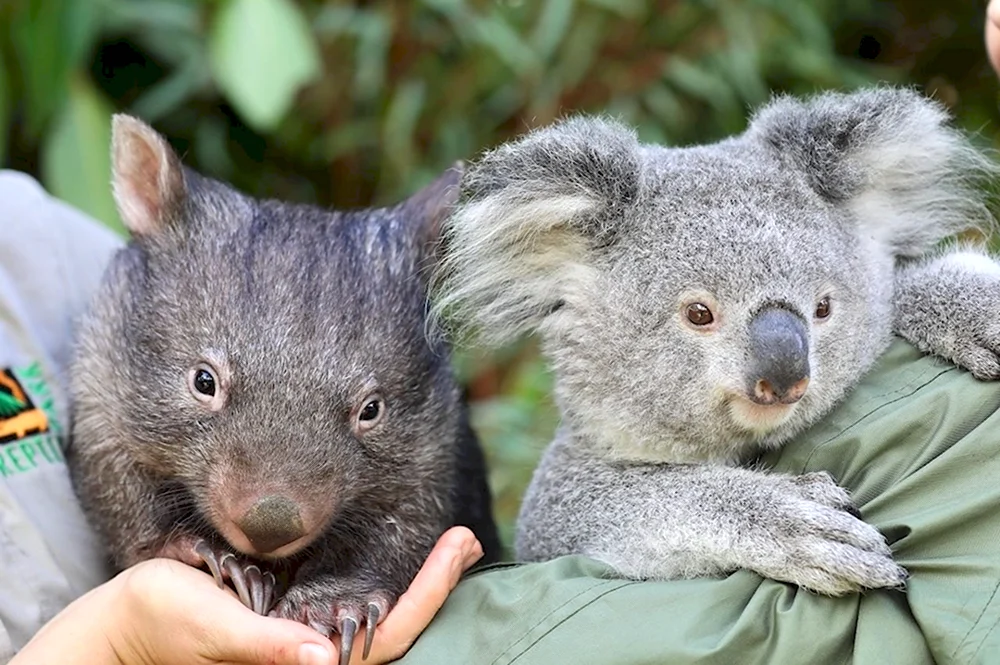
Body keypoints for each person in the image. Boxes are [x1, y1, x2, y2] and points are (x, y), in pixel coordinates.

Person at [0, 170, 484, 665]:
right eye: (205, 385)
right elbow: (109, 397)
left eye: (368, 412)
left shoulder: (28, 239)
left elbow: (420, 471)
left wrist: (356, 583)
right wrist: (120, 633)